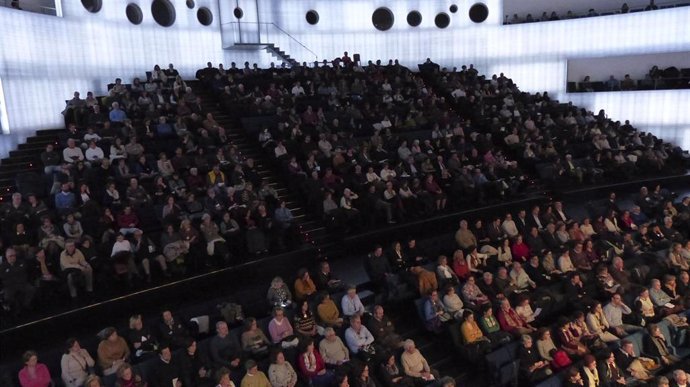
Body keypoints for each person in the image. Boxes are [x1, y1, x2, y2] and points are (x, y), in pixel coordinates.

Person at [0, 247, 36, 314]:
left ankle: (26, 304)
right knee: (8, 296)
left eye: (14, 255)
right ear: (6, 256)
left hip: (22, 283)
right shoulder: (2, 266)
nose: (13, 257)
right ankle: (13, 308)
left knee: (31, 289)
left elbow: (23, 273)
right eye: (11, 256)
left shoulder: (21, 262)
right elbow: (3, 278)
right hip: (10, 286)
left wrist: (12, 273)